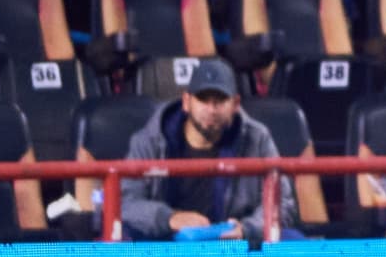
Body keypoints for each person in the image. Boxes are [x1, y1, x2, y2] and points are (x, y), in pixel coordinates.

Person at [121, 57, 297, 242]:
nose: (211, 109)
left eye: (220, 100)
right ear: (186, 101)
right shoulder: (150, 139)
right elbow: (126, 203)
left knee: (293, 239)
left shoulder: (258, 138)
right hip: (165, 245)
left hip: (234, 247)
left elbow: (282, 202)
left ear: (235, 104)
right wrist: (169, 218)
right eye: (203, 99)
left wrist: (247, 228)